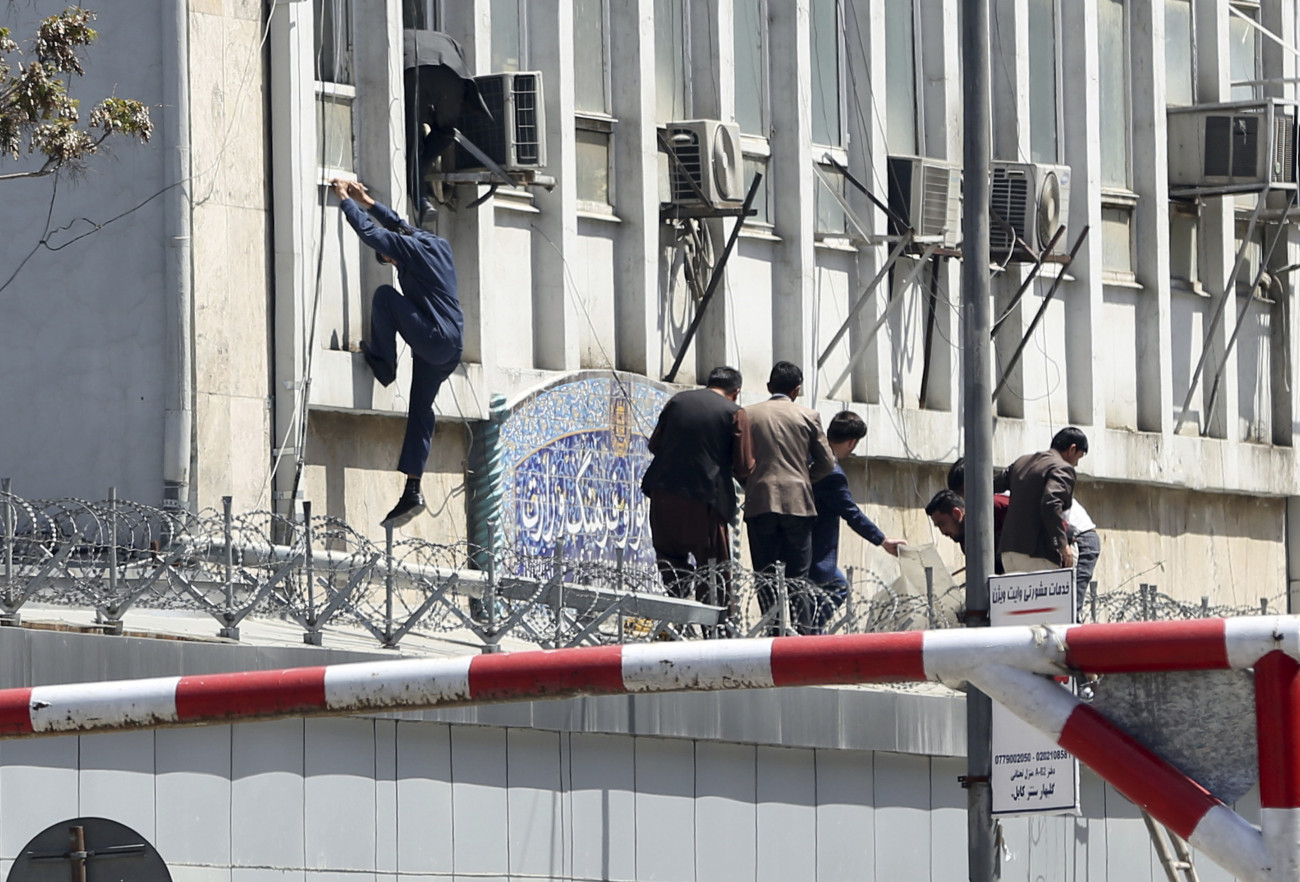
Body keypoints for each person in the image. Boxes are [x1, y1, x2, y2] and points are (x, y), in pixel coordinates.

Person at [331, 179, 463, 528]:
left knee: (384, 297)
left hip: (433, 337)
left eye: (390, 259)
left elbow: (374, 235)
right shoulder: (434, 243)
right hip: (448, 348)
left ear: (393, 253)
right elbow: (397, 224)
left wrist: (345, 200)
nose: (391, 261)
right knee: (421, 410)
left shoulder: (406, 251)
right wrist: (368, 200)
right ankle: (413, 489)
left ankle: (385, 366)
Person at [641, 366, 755, 606]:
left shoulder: (678, 402)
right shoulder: (734, 412)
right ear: (736, 392)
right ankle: (716, 630)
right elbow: (744, 466)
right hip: (706, 499)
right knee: (713, 569)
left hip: (663, 493)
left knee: (671, 563)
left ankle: (675, 619)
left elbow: (655, 445)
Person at [743, 361, 837, 631]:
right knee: (799, 577)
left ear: (769, 387)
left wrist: (751, 482)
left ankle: (773, 633)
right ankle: (801, 638)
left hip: (760, 501)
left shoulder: (748, 414)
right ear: (797, 389)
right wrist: (804, 478)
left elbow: (737, 460)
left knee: (765, 576)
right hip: (798, 504)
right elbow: (828, 462)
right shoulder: (808, 415)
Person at [799, 411, 902, 634]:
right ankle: (808, 633)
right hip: (815, 549)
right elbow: (851, 513)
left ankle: (806, 631)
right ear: (852, 442)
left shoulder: (806, 455)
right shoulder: (832, 473)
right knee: (837, 587)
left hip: (792, 542)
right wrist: (882, 540)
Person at [993, 427, 1088, 573]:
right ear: (1072, 449)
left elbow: (992, 484)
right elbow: (1051, 503)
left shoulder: (1022, 462)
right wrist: (1061, 545)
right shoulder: (1063, 468)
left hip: (1009, 552)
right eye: (1078, 458)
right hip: (1037, 554)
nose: (1076, 464)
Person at [944, 458, 1012, 573]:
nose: (962, 498)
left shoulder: (996, 504)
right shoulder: (969, 519)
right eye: (957, 494)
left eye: (963, 492)